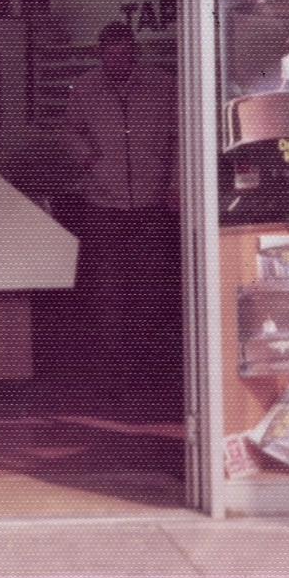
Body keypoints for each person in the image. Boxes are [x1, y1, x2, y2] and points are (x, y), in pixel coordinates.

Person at [62, 21, 180, 407]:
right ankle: (112, 377)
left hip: (152, 203)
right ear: (101, 54)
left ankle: (147, 373)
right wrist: (89, 159)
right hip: (103, 205)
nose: (118, 60)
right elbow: (70, 131)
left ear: (134, 51)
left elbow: (183, 135)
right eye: (110, 53)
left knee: (150, 293)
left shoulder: (163, 86)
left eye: (124, 51)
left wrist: (175, 182)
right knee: (107, 295)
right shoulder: (86, 88)